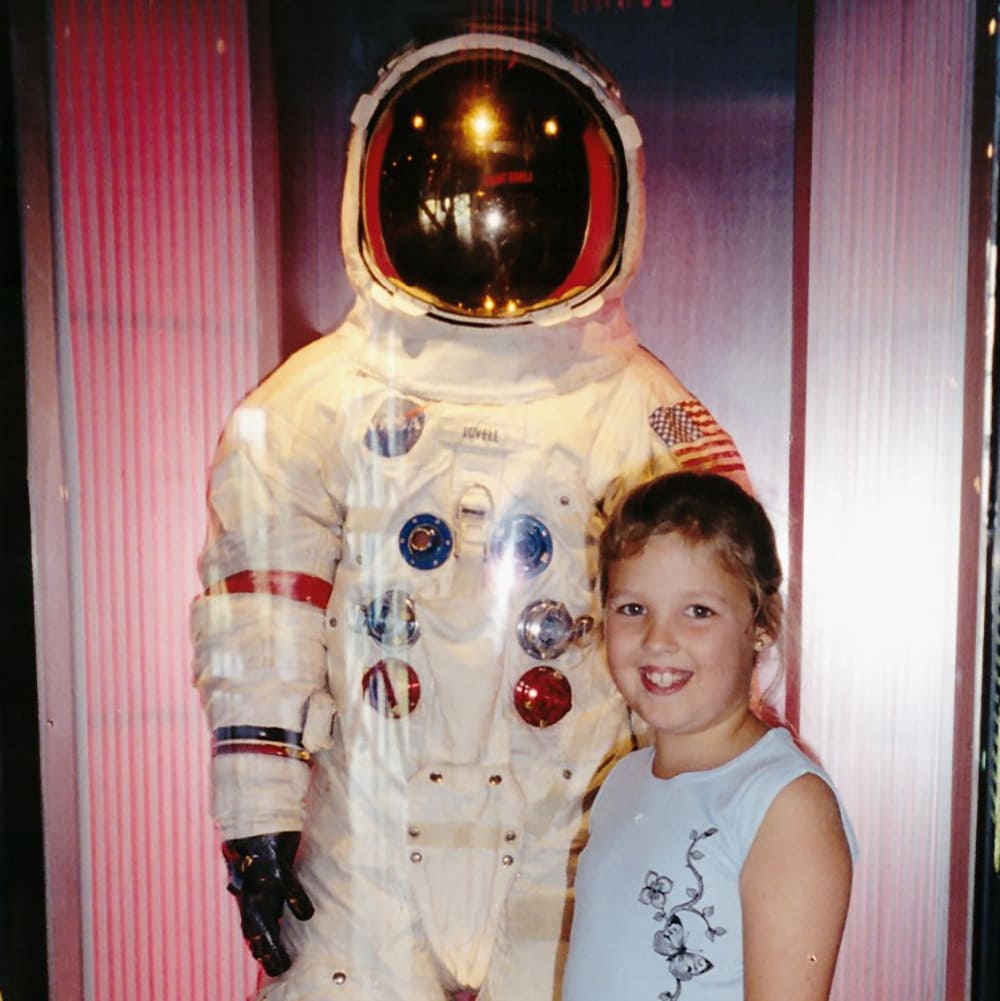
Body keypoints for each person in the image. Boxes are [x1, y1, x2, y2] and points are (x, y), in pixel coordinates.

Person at [191, 20, 751, 1001]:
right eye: (461, 181)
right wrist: (256, 806)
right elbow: (258, 615)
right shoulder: (311, 404)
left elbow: (719, 625)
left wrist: (707, 811)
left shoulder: (642, 410)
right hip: (366, 838)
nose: (487, 216)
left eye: (515, 186)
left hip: (568, 829)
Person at [561, 471, 856, 1001]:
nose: (658, 640)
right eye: (633, 609)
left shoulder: (784, 805)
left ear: (761, 624)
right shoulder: (622, 781)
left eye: (698, 612)